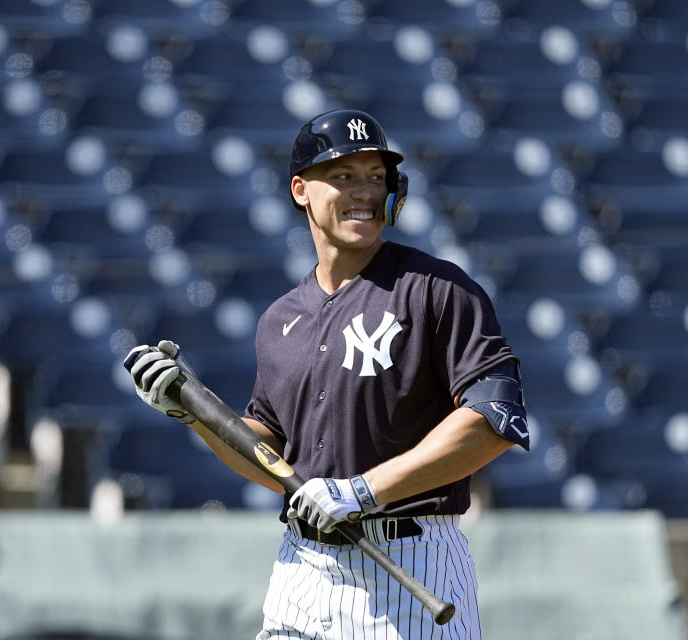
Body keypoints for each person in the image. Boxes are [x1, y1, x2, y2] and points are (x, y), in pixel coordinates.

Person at [127, 109, 529, 639]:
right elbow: (269, 454)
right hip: (300, 570)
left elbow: (494, 420)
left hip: (409, 567)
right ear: (301, 190)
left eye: (375, 178)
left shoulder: (438, 289)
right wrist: (190, 410)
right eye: (342, 177)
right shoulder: (279, 319)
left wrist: (364, 490)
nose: (363, 191)